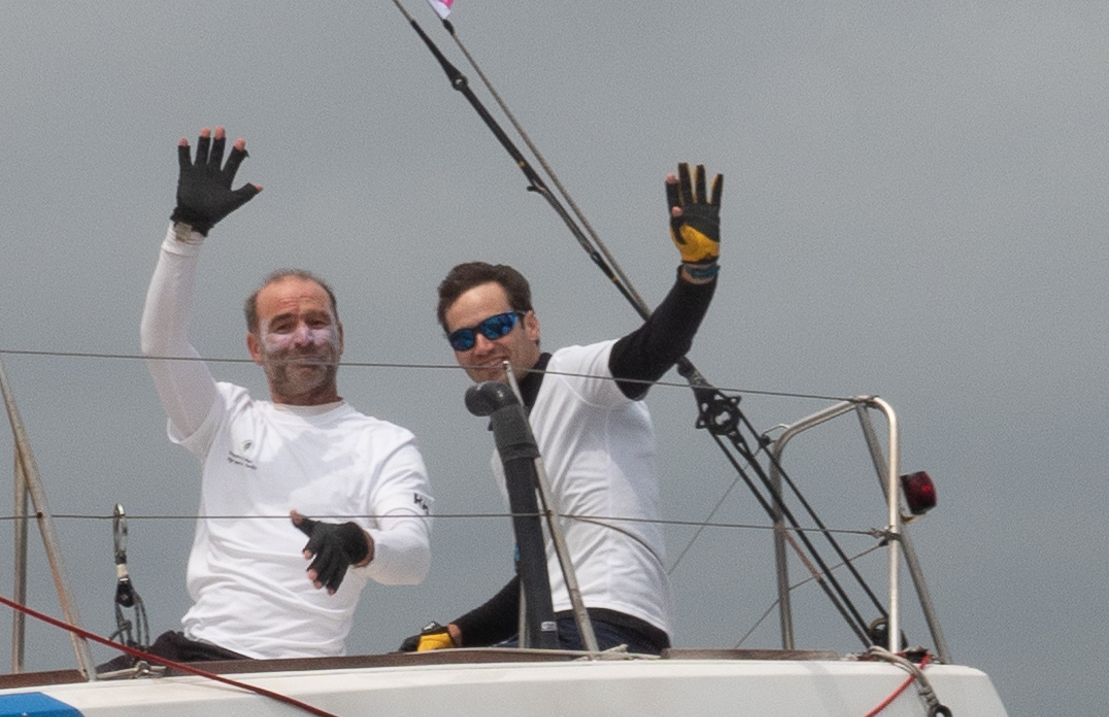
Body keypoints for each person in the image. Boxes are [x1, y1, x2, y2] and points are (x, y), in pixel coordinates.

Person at [137, 127, 431, 664]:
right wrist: (186, 233)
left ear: (341, 336)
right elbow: (161, 344)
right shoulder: (225, 416)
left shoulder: (386, 443)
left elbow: (412, 559)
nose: (303, 337)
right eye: (284, 325)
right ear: (255, 348)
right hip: (196, 652)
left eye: (317, 321)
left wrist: (359, 543)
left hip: (299, 670)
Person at [403, 163, 721, 657]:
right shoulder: (505, 447)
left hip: (612, 619)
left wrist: (697, 274)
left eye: (497, 327)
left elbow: (656, 347)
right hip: (556, 621)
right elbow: (539, 572)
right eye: (464, 339)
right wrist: (453, 634)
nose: (482, 346)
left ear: (531, 325)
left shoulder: (576, 376)